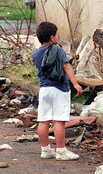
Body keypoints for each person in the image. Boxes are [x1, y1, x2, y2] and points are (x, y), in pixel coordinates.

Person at [32, 21, 83, 161]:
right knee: (59, 121)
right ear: (53, 37)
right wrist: (76, 84)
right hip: (59, 89)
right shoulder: (57, 49)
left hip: (44, 89)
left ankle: (45, 150)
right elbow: (66, 66)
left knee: (43, 120)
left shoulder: (35, 54)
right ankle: (61, 151)